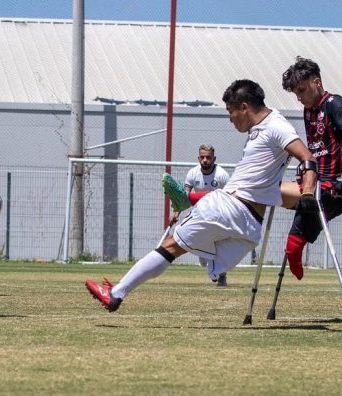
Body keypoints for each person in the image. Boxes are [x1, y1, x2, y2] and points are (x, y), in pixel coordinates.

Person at [85, 79, 318, 312]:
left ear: (245, 107)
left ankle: (115, 294)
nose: (230, 118)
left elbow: (308, 158)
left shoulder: (276, 127)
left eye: (231, 111)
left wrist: (307, 192)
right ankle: (191, 202)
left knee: (170, 246)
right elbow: (272, 186)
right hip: (249, 227)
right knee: (189, 253)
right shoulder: (265, 126)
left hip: (228, 209)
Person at [279, 56, 342, 280]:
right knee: (270, 193)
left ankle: (202, 198)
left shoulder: (335, 104)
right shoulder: (308, 111)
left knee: (271, 196)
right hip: (315, 183)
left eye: (301, 90)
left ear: (316, 82)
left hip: (335, 187)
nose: (299, 97)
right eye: (295, 93)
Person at [171, 144, 230, 286]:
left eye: (208, 157)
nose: (205, 160)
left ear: (214, 158)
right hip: (200, 216)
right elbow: (183, 197)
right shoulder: (192, 173)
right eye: (202, 157)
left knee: (218, 247)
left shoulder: (222, 175)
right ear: (198, 158)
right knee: (203, 260)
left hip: (218, 216)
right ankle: (211, 267)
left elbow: (230, 197)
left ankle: (221, 275)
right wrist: (176, 213)